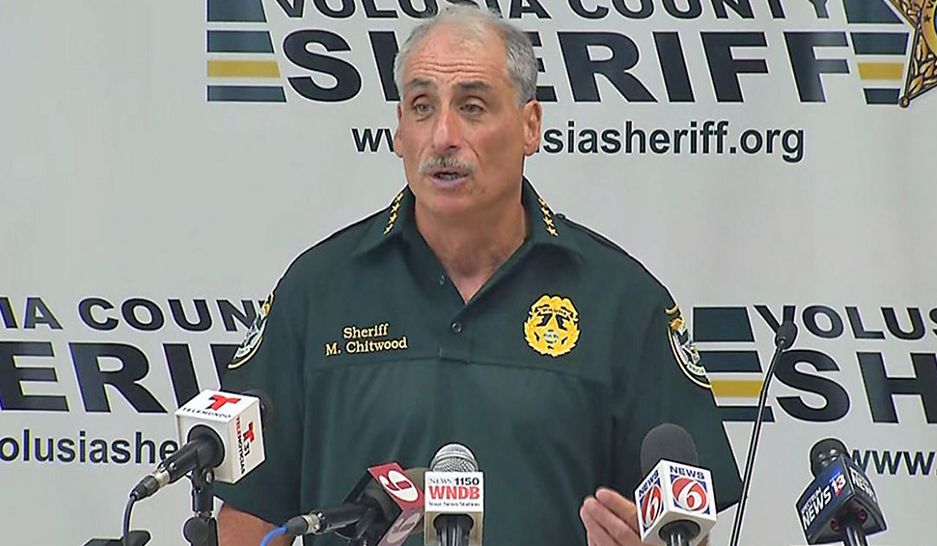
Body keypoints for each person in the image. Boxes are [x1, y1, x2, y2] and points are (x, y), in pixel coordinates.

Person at [215, 6, 741, 546]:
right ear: (399, 130)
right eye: (422, 107)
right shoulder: (316, 291)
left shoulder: (622, 302)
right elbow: (252, 511)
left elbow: (685, 529)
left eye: (472, 107)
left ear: (530, 126)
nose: (443, 136)